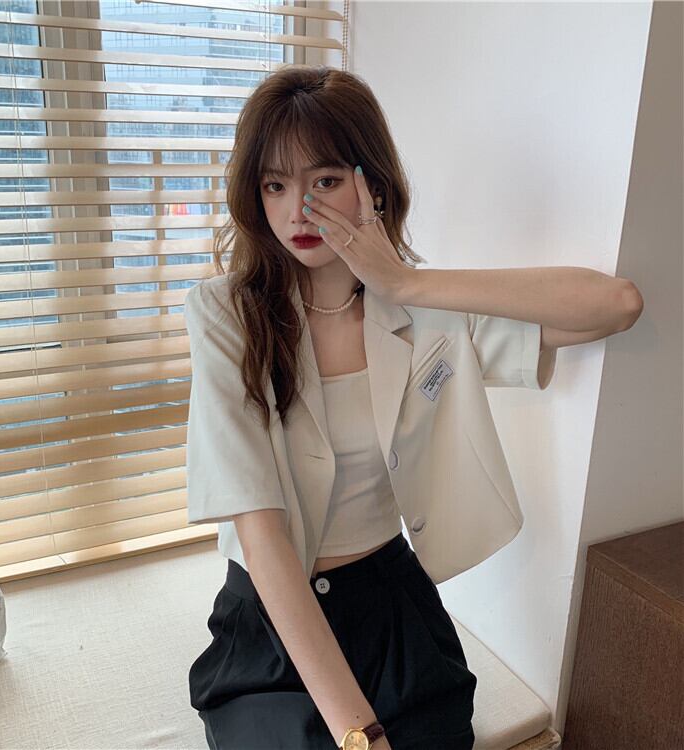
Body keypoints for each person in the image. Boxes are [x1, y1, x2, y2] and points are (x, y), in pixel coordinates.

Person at [185, 65, 641, 750]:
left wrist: (404, 282)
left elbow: (616, 305)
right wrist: (359, 733)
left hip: (394, 608)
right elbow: (263, 536)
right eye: (274, 185)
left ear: (372, 184)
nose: (297, 209)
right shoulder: (226, 315)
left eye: (324, 180)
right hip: (272, 624)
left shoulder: (425, 315)